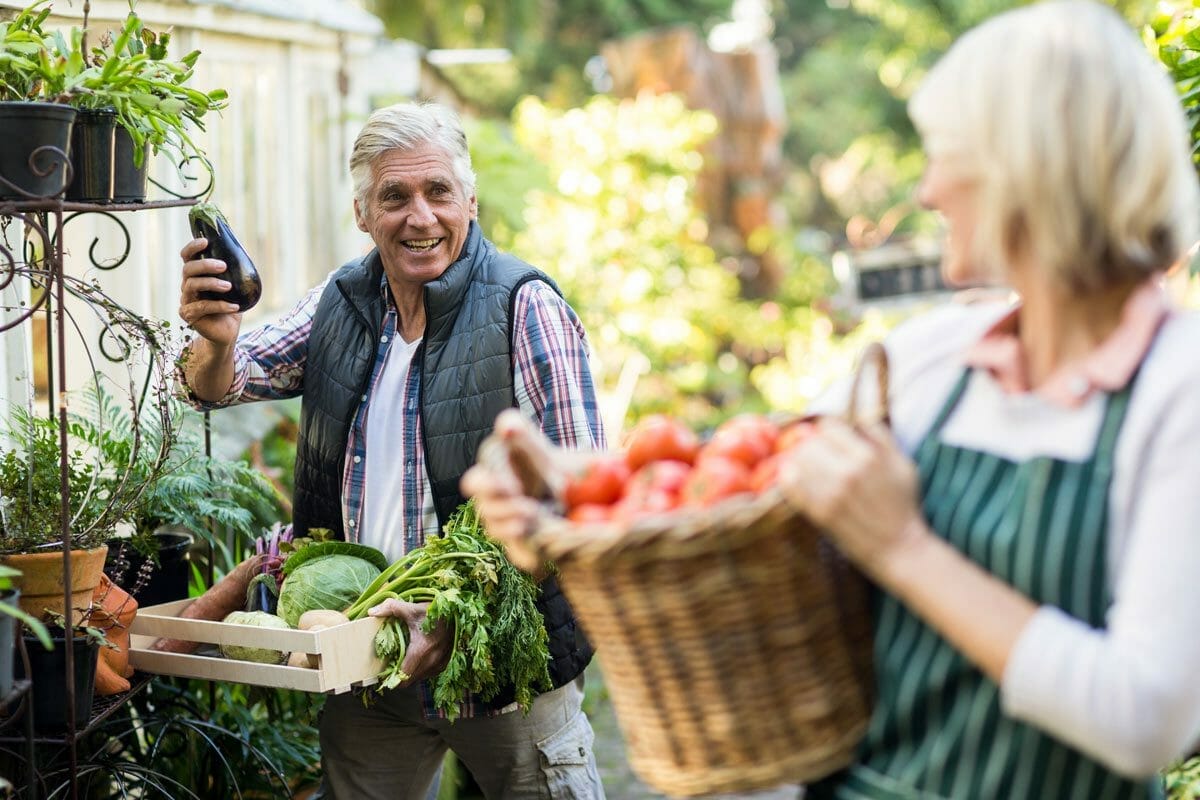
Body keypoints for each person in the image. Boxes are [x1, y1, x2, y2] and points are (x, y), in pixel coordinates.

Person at [463, 2, 1200, 798]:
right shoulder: (934, 357)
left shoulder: (1176, 393)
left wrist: (905, 550)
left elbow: (1147, 718)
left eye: (948, 159)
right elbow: (737, 486)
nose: (927, 191)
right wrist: (574, 492)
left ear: (1031, 173)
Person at [176, 101, 607, 800]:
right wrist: (217, 342)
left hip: (501, 659)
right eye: (394, 196)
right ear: (362, 213)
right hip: (366, 660)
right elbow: (226, 382)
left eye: (438, 191)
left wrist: (451, 615)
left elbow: (584, 494)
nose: (420, 216)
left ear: (469, 199)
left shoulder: (525, 308)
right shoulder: (341, 303)